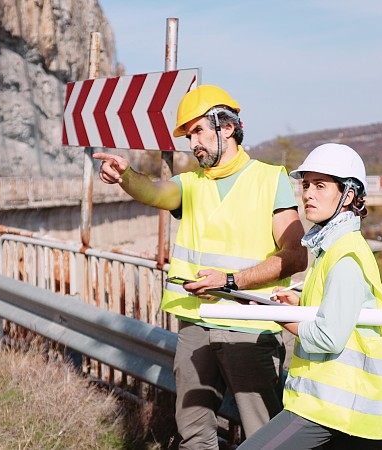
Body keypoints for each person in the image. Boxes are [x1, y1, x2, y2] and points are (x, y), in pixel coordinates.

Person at [93, 84, 308, 448]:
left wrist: (230, 280)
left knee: (262, 433)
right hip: (196, 326)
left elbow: (295, 254)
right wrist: (126, 177)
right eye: (189, 136)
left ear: (226, 128)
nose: (193, 144)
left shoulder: (270, 180)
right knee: (193, 428)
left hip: (250, 327)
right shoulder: (190, 183)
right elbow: (155, 193)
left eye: (197, 132)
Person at [238, 143, 382, 449]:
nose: (307, 194)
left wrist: (280, 317)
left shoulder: (346, 256)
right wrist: (299, 306)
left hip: (333, 408)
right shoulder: (330, 248)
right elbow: (336, 312)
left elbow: (329, 336)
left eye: (320, 185)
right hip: (327, 405)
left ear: (349, 195)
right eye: (305, 185)